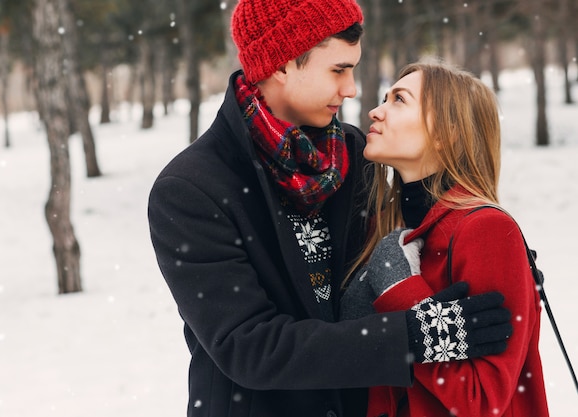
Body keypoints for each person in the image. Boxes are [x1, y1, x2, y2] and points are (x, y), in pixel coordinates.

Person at [147, 1, 513, 416]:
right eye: (338, 70)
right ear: (282, 64)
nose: (352, 88)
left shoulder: (353, 154)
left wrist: (477, 242)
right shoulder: (191, 189)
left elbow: (402, 240)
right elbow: (249, 347)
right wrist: (412, 337)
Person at [340, 61, 550, 417]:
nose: (376, 111)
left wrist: (400, 292)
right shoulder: (384, 227)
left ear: (446, 133)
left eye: (399, 100)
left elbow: (483, 400)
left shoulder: (487, 231)